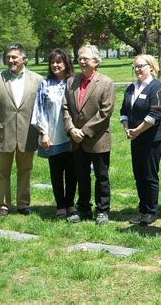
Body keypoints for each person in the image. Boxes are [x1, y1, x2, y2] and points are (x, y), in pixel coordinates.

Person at [0, 43, 42, 216]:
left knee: (25, 170)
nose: (10, 60)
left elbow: (41, 108)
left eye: (14, 57)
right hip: (3, 134)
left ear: (23, 59)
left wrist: (42, 132)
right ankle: (2, 204)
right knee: (3, 171)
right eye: (8, 57)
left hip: (28, 134)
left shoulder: (38, 80)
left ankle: (23, 204)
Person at [62, 44, 115, 224]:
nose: (81, 61)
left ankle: (103, 210)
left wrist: (83, 132)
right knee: (81, 175)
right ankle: (83, 208)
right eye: (79, 58)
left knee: (101, 176)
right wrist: (71, 129)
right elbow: (65, 108)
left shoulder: (106, 83)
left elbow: (105, 112)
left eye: (85, 58)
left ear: (96, 61)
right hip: (76, 139)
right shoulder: (71, 82)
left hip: (97, 138)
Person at [120, 55, 161, 226]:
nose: (138, 69)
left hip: (152, 139)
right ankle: (142, 210)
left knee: (149, 175)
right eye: (135, 67)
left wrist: (138, 131)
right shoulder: (132, 87)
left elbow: (155, 114)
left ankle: (151, 211)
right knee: (139, 175)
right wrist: (127, 129)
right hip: (135, 137)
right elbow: (124, 110)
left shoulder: (157, 88)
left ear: (151, 67)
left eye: (141, 66)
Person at [31, 49, 77, 219]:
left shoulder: (73, 82)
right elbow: (39, 109)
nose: (56, 65)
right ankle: (60, 205)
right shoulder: (45, 84)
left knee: (72, 172)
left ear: (66, 63)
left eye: (59, 61)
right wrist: (43, 133)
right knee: (56, 172)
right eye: (53, 62)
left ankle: (70, 203)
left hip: (71, 134)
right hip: (52, 135)